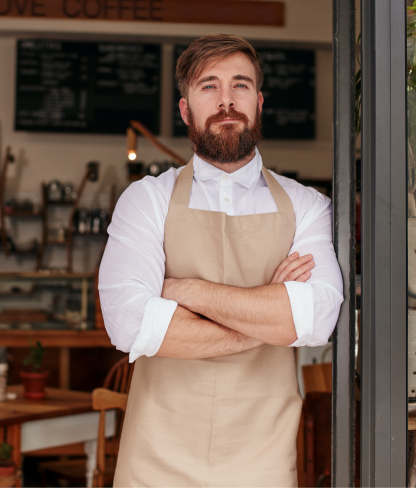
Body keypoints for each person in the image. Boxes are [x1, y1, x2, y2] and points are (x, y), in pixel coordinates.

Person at [98, 33, 344, 487]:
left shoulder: (308, 205)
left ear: (259, 101)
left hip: (263, 459)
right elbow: (129, 324)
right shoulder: (145, 200)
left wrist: (185, 292)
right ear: (186, 109)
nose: (226, 101)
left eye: (240, 85)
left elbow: (316, 319)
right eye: (209, 86)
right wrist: (268, 310)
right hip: (155, 460)